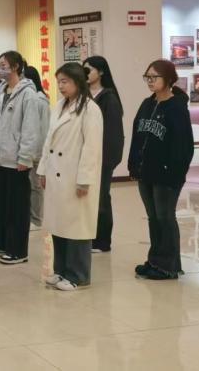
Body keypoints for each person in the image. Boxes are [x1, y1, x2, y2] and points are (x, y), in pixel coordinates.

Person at [37, 62, 103, 290]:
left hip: (75, 176)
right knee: (59, 225)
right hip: (56, 175)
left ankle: (78, 276)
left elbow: (92, 148)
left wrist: (84, 180)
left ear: (77, 82)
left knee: (77, 227)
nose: (61, 86)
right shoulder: (60, 105)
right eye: (59, 82)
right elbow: (49, 140)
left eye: (65, 81)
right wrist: (43, 169)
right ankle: (61, 271)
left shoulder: (90, 109)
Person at [128, 59, 195, 280]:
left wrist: (174, 172)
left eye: (154, 77)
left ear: (168, 79)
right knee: (153, 218)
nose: (150, 81)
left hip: (166, 174)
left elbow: (184, 146)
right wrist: (133, 164)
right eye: (147, 77)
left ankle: (168, 266)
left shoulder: (176, 108)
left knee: (165, 217)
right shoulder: (147, 104)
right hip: (145, 171)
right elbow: (137, 135)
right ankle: (155, 260)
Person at [0, 51, 47, 265]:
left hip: (17, 161)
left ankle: (18, 250)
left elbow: (31, 129)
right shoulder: (0, 91)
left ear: (15, 67)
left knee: (17, 208)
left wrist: (25, 157)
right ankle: (2, 243)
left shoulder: (28, 94)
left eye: (3, 65)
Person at [83, 56, 125, 253]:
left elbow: (113, 134)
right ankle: (89, 236)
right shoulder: (82, 95)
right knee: (87, 199)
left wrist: (106, 161)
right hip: (84, 157)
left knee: (100, 198)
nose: (85, 74)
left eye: (89, 70)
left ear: (100, 72)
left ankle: (102, 241)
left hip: (102, 158)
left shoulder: (109, 98)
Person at [23, 65, 50, 228]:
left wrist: (39, 153)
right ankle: (30, 216)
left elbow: (44, 128)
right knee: (29, 186)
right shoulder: (29, 97)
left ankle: (37, 219)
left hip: (37, 151)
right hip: (28, 150)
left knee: (36, 186)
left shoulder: (40, 100)